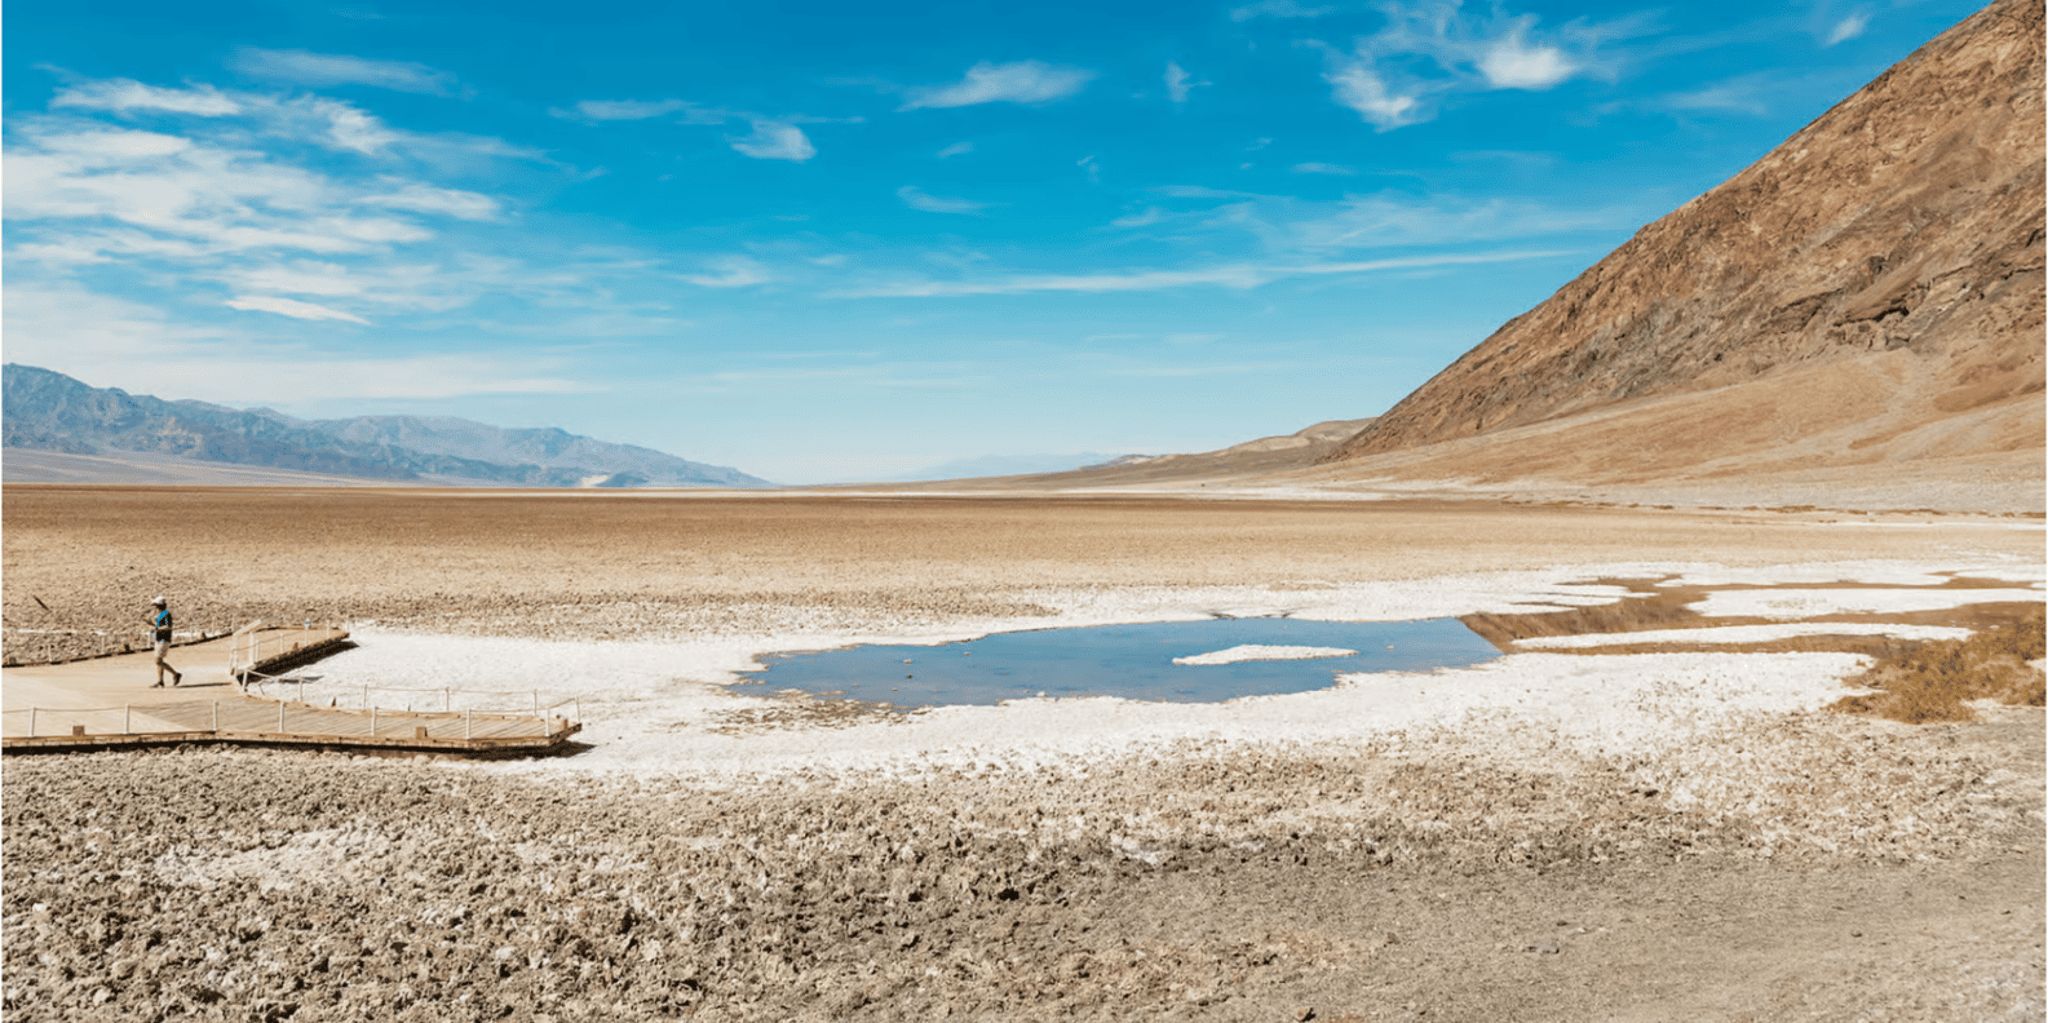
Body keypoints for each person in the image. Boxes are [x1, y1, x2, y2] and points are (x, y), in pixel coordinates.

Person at [148, 595, 182, 687]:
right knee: (160, 660)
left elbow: (168, 626)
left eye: (156, 606)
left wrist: (156, 628)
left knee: (158, 661)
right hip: (159, 638)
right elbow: (159, 626)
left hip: (164, 639)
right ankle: (160, 681)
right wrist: (152, 623)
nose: (155, 608)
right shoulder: (161, 614)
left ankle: (175, 674)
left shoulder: (166, 614)